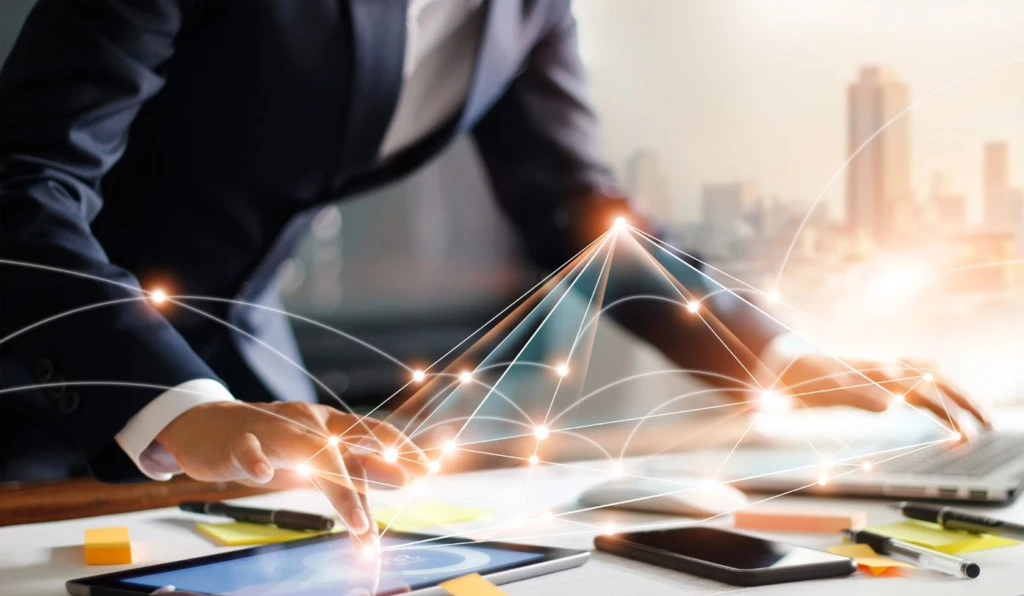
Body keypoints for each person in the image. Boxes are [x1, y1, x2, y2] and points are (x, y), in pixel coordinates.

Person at [0, 0, 989, 544]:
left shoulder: (527, 11)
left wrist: (777, 354)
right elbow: (23, 181)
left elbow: (575, 213)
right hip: (43, 337)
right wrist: (180, 406)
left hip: (239, 342)